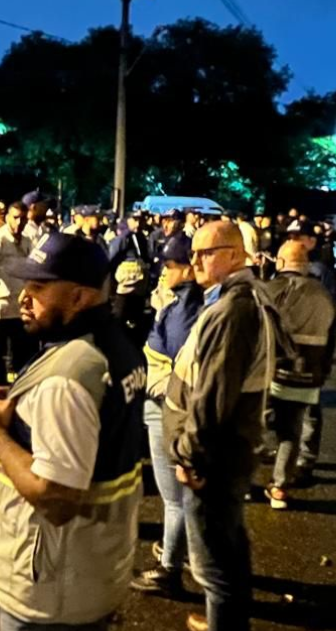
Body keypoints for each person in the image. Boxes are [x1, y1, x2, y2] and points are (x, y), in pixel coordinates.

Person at [0, 232, 145, 630]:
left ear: (79, 297)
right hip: (93, 566)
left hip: (50, 588)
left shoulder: (68, 377)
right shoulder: (116, 344)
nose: (24, 296)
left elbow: (56, 499)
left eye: (39, 286)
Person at [164, 221, 282, 631]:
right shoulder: (244, 298)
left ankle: (224, 623)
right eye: (194, 253)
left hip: (215, 457)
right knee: (228, 545)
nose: (195, 260)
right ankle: (223, 618)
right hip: (230, 449)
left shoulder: (233, 310)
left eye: (206, 252)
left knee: (213, 562)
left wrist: (189, 457)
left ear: (235, 255)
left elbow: (213, 399)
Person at [130, 234, 204, 597]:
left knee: (175, 499)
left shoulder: (187, 312)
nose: (163, 271)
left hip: (165, 410)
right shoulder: (183, 303)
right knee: (179, 498)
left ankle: (168, 569)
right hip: (164, 407)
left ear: (189, 267)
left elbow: (175, 370)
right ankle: (181, 551)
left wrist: (152, 386)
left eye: (170, 266)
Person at [262, 240, 336, 510]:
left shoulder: (269, 290)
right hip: (308, 376)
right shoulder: (324, 294)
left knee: (254, 428)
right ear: (305, 266)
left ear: (280, 263)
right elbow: (332, 338)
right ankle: (280, 488)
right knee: (291, 431)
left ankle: (244, 483)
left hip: (270, 374)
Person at [0, 201, 35, 382]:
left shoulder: (28, 242)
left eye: (22, 219)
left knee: (18, 357)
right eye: (15, 218)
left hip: (18, 309)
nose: (18, 223)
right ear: (7, 218)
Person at [107, 210, 152, 343]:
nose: (138, 223)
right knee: (120, 311)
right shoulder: (123, 238)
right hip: (126, 282)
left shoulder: (141, 237)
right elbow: (112, 257)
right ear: (128, 220)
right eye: (135, 220)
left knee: (137, 312)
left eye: (140, 220)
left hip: (140, 283)